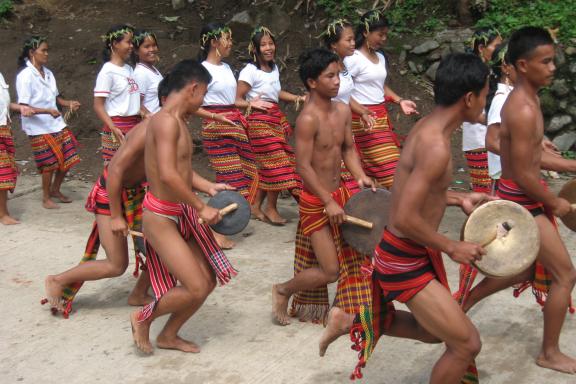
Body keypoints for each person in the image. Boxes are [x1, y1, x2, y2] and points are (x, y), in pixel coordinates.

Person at [346, 53, 492, 383]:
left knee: (432, 333)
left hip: (410, 252)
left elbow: (411, 195)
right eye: (484, 95)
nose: (484, 103)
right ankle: (356, 320)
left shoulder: (429, 127)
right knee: (466, 344)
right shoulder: (435, 144)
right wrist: (452, 246)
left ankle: (353, 320)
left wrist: (459, 198)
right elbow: (403, 216)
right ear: (469, 98)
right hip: (403, 258)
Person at [456, 27, 576, 374]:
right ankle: (549, 353)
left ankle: (465, 301)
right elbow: (523, 173)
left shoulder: (529, 99)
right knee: (564, 275)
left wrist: (570, 164)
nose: (553, 67)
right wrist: (555, 203)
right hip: (524, 201)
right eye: (546, 61)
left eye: (553, 60)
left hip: (521, 196)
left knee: (520, 268)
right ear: (522, 65)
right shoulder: (521, 108)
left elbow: (532, 160)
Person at [131, 60, 237, 354]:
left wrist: (208, 186)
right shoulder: (165, 121)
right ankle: (142, 318)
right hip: (161, 217)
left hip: (177, 213)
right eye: (203, 93)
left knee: (207, 281)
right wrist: (201, 206)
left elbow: (182, 170)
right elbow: (166, 173)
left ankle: (168, 336)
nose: (203, 101)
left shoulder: (175, 121)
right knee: (195, 285)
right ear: (193, 88)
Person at [272, 49, 375, 348]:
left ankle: (348, 313)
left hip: (341, 193)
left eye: (339, 74)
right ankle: (282, 289)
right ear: (312, 82)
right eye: (329, 76)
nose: (337, 81)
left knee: (357, 255)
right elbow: (302, 166)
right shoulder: (307, 119)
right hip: (316, 201)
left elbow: (347, 150)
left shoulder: (343, 111)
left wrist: (359, 176)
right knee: (330, 270)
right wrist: (327, 201)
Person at [42, 85, 167, 317]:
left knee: (162, 247)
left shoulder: (175, 128)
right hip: (111, 194)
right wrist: (117, 216)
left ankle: (139, 293)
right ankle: (57, 280)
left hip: (138, 194)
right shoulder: (147, 129)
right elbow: (116, 170)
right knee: (116, 265)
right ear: (166, 100)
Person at [195, 22, 259, 248]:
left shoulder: (225, 68)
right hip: (216, 130)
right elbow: (192, 105)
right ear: (214, 42)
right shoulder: (201, 70)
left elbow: (231, 99)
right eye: (226, 38)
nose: (231, 43)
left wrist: (251, 104)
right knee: (230, 178)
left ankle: (221, 223)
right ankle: (215, 230)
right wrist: (217, 118)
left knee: (244, 175)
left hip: (233, 124)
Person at [236, 26, 304, 225]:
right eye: (263, 44)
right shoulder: (250, 71)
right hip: (258, 122)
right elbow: (236, 99)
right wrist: (251, 103)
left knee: (271, 166)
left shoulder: (273, 68)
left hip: (275, 120)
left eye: (271, 43)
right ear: (255, 49)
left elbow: (276, 92)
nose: (268, 48)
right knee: (278, 164)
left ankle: (256, 205)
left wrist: (298, 98)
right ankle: (271, 208)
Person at [344, 10, 418, 188]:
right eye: (380, 34)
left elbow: (380, 86)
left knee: (387, 168)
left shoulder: (380, 57)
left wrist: (400, 101)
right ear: (365, 33)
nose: (384, 39)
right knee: (392, 170)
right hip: (362, 119)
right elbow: (344, 89)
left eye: (386, 34)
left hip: (381, 118)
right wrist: (361, 112)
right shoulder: (353, 59)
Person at [16, 36, 81, 209]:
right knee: (49, 163)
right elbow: (24, 106)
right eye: (43, 50)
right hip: (37, 127)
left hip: (56, 123)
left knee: (70, 155)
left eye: (47, 50)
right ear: (32, 53)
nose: (46, 54)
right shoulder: (25, 76)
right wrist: (46, 111)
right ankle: (46, 198)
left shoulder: (48, 73)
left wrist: (69, 103)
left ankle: (55, 189)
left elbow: (56, 98)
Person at [461, 27, 502, 193]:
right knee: (484, 194)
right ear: (481, 48)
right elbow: (466, 105)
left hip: (489, 136)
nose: (499, 50)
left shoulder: (489, 71)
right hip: (478, 138)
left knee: (491, 191)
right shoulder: (471, 72)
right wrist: (492, 122)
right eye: (496, 46)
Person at [94, 24, 140, 163]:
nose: (132, 46)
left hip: (134, 126)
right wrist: (113, 127)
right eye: (128, 42)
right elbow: (98, 105)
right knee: (116, 172)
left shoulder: (129, 69)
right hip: (118, 129)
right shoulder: (107, 72)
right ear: (115, 44)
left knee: (134, 172)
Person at [0, 71, 35, 224]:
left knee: (5, 174)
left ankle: (3, 212)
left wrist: (21, 108)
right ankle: (3, 214)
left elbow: (4, 104)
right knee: (3, 173)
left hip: (4, 129)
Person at [132, 29, 163, 117]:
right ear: (136, 51)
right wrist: (151, 118)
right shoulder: (140, 73)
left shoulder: (152, 69)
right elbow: (136, 103)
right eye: (147, 46)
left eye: (154, 45)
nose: (152, 49)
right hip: (151, 125)